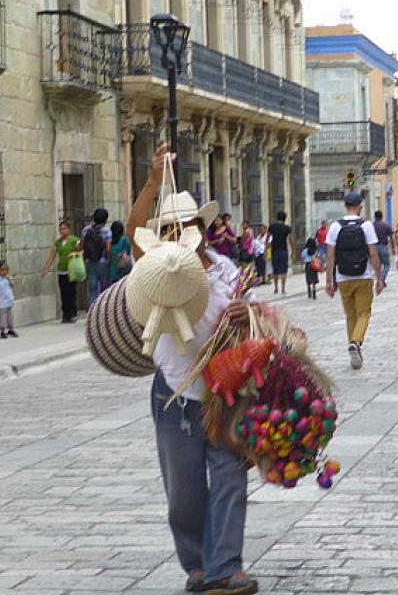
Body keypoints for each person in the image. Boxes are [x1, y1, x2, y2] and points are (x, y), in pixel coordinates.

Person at [126, 145, 258, 595]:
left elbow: (253, 324)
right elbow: (131, 231)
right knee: (184, 492)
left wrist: (247, 316)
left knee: (229, 479)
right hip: (176, 396)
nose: (184, 233)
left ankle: (226, 567)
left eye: (189, 226)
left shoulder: (226, 270)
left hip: (225, 393)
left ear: (201, 229)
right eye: (172, 228)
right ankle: (198, 566)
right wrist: (149, 183)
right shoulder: (157, 270)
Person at [325, 192, 385, 370]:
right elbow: (373, 253)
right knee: (363, 314)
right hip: (363, 276)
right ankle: (356, 343)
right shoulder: (366, 225)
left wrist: (329, 281)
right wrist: (379, 277)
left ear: (345, 205)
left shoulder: (335, 226)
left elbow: (330, 257)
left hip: (343, 277)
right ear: (360, 205)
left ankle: (354, 350)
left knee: (350, 315)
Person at [40, 220, 79, 323]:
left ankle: (72, 313)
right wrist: (46, 268)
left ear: (69, 229)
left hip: (72, 270)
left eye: (64, 228)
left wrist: (74, 254)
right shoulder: (57, 243)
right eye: (60, 229)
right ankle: (65, 315)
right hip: (62, 270)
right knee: (63, 293)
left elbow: (80, 251)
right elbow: (52, 256)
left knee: (71, 292)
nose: (62, 231)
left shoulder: (74, 240)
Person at [79, 208, 112, 307]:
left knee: (92, 289)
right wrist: (109, 259)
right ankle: (103, 311)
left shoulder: (86, 230)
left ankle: (91, 312)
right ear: (105, 220)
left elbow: (81, 245)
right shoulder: (107, 231)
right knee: (105, 289)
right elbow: (108, 248)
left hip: (89, 261)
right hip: (103, 261)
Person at [268, 211, 294, 295]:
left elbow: (267, 238)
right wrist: (293, 251)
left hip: (274, 250)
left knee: (275, 270)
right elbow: (291, 240)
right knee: (283, 270)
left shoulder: (272, 227)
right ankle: (283, 289)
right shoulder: (287, 228)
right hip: (283, 250)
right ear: (285, 218)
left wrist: (266, 249)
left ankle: (276, 288)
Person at [0, 261, 18, 339]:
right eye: (2, 270)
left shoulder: (7, 278)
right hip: (2, 302)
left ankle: (11, 329)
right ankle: (3, 331)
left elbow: (12, 286)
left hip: (9, 301)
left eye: (6, 270)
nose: (4, 272)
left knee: (10, 317)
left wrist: (10, 279)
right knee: (3, 317)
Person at [373, 211, 396, 279]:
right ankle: (382, 278)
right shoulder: (386, 225)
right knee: (386, 264)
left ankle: (379, 280)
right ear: (382, 216)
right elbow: (391, 237)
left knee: (378, 265)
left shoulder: (371, 225)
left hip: (374, 247)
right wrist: (393, 248)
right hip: (384, 247)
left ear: (375, 216)